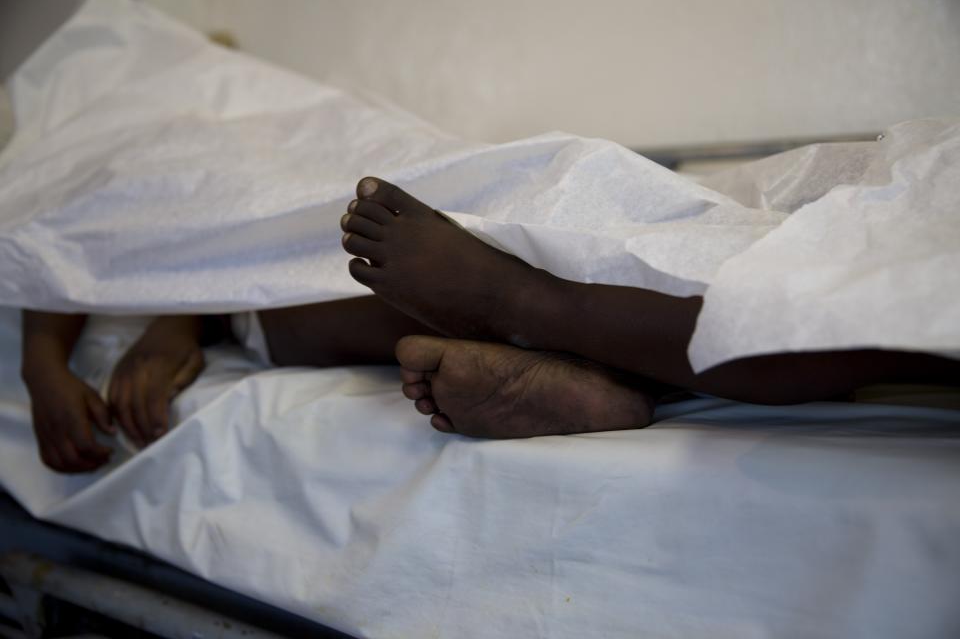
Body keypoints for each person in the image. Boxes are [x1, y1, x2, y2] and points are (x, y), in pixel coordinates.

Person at [23, 175, 960, 473]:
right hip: (233, 297)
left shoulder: (183, 134)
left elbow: (117, 217)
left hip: (242, 289)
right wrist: (49, 366)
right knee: (304, 287)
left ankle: (530, 313)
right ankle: (560, 334)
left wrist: (173, 322)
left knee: (717, 245)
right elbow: (50, 245)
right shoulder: (82, 154)